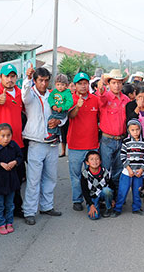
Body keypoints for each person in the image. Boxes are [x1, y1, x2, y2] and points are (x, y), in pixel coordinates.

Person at [22, 66, 63, 225]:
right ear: (35, 80)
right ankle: (30, 211)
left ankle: (47, 206)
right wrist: (27, 78)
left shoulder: (54, 95)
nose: (44, 84)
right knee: (33, 179)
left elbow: (62, 113)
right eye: (40, 80)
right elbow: (24, 96)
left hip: (52, 142)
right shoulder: (30, 94)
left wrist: (59, 121)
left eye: (46, 80)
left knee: (50, 177)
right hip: (36, 141)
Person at [67, 72, 100, 212]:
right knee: (76, 175)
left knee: (92, 175)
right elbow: (70, 116)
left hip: (92, 144)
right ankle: (77, 199)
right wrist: (78, 106)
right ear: (75, 86)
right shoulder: (70, 99)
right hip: (75, 144)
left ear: (88, 84)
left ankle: (92, 200)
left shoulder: (95, 99)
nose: (83, 86)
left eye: (85, 83)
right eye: (79, 83)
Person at [95, 69, 131, 192]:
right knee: (104, 169)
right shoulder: (105, 97)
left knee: (118, 170)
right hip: (107, 140)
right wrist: (100, 90)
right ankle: (103, 197)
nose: (117, 85)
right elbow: (101, 98)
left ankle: (115, 195)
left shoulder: (126, 100)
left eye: (119, 82)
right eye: (114, 82)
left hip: (122, 139)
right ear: (109, 84)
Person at [112, 119, 144, 217]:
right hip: (127, 172)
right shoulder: (126, 142)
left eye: (137, 129)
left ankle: (136, 208)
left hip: (138, 172)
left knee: (137, 191)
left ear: (140, 129)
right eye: (132, 130)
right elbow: (123, 156)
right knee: (122, 191)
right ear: (128, 131)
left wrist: (141, 169)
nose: (135, 132)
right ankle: (118, 208)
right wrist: (128, 169)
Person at [81, 151, 113, 220]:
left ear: (100, 161)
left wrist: (113, 199)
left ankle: (108, 207)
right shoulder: (85, 174)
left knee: (107, 190)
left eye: (97, 159)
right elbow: (85, 191)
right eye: (91, 159)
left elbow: (112, 185)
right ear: (87, 162)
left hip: (103, 193)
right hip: (93, 197)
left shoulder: (105, 172)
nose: (95, 161)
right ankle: (98, 205)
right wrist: (91, 205)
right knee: (94, 216)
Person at [46, 74, 73, 143]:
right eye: (58, 85)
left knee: (52, 120)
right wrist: (53, 105)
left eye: (62, 85)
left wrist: (62, 108)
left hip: (62, 112)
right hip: (55, 110)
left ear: (66, 85)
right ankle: (56, 136)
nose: (60, 87)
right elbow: (50, 98)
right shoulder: (54, 92)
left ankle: (54, 135)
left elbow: (70, 102)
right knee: (51, 120)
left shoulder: (67, 92)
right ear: (55, 85)